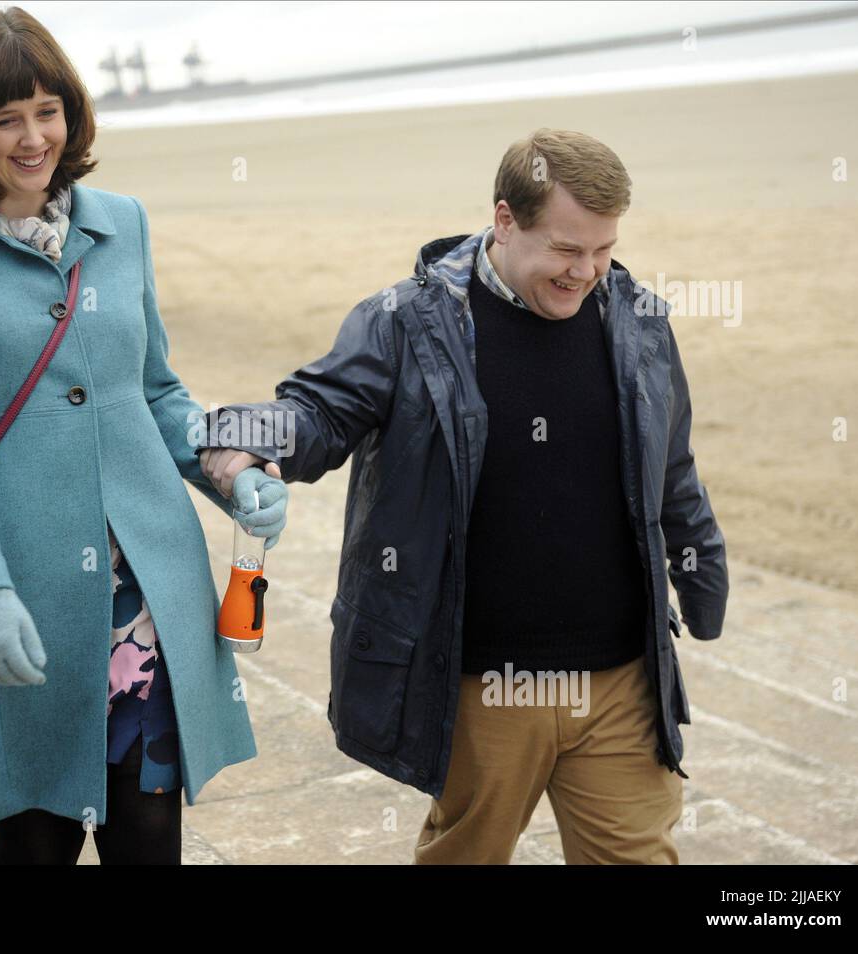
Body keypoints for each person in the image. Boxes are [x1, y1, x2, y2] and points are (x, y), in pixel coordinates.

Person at [197, 129, 729, 864]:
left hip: (619, 680)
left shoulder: (637, 319)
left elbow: (672, 468)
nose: (587, 271)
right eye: (566, 250)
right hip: (486, 684)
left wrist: (704, 585)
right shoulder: (407, 321)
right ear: (504, 219)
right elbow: (321, 409)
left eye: (603, 249)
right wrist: (242, 434)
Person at [0, 6, 287, 864]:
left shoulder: (121, 220)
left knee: (149, 834)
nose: (32, 138)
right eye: (4, 118)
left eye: (47, 111)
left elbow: (156, 390)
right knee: (35, 839)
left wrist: (231, 469)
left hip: (148, 601)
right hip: (18, 593)